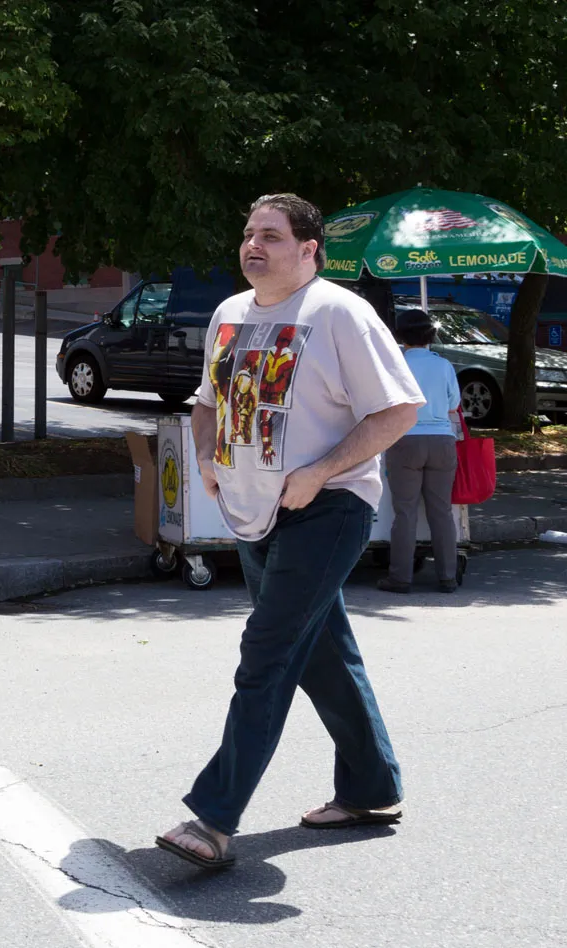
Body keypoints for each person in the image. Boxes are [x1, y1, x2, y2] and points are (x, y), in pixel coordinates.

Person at [156, 193, 426, 870]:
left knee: (268, 652)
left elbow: (398, 408)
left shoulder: (338, 312)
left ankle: (214, 818)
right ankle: (372, 789)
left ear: (309, 250)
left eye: (271, 236)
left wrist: (322, 471)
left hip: (328, 506)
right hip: (254, 512)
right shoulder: (229, 313)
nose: (253, 245)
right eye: (249, 233)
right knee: (321, 655)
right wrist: (208, 456)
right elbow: (208, 402)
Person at [377, 308, 462, 594]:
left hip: (405, 440)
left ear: (399, 336)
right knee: (442, 512)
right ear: (431, 336)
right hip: (442, 441)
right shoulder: (444, 365)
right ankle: (447, 577)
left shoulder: (394, 364)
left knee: (405, 512)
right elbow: (454, 404)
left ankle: (400, 578)